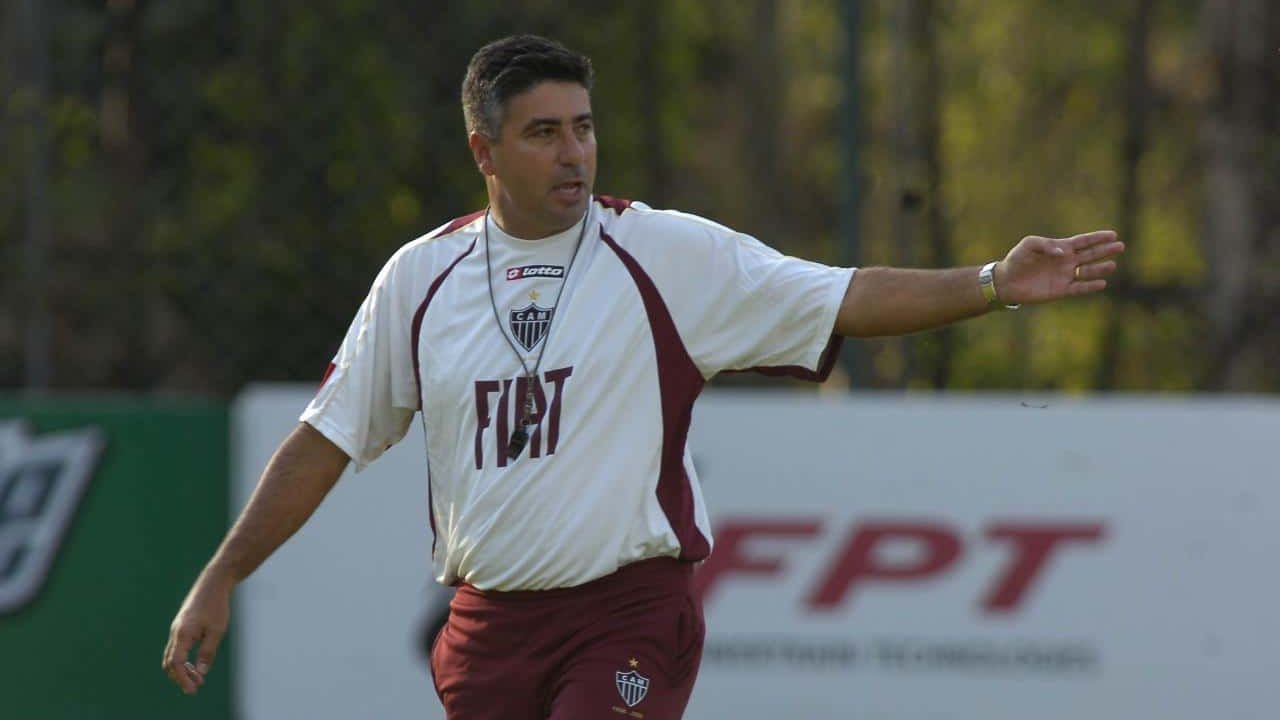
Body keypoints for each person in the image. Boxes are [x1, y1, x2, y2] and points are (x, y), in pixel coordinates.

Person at [161, 34, 1123, 719]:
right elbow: (327, 436)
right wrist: (222, 575)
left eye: (582, 126)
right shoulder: (420, 278)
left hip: (624, 613)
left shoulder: (660, 253)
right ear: (482, 152)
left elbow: (843, 296)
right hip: (483, 631)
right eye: (542, 133)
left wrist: (995, 283)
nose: (573, 150)